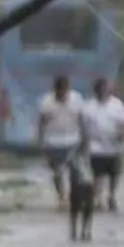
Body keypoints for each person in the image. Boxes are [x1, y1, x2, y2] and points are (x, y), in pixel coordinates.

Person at [80, 77, 124, 211]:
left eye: (104, 89)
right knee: (97, 174)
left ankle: (112, 195)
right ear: (95, 90)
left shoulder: (117, 105)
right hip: (96, 146)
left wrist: (122, 134)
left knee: (114, 174)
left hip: (113, 146)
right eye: (99, 89)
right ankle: (98, 198)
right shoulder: (88, 106)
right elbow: (84, 127)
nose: (102, 91)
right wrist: (84, 144)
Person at [36, 75, 87, 209]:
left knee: (75, 171)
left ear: (67, 89)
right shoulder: (47, 102)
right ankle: (61, 197)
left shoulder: (77, 99)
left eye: (64, 91)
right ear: (55, 90)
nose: (62, 94)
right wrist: (40, 142)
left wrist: (85, 140)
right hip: (53, 143)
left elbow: (81, 120)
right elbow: (41, 123)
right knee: (57, 172)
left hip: (73, 140)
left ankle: (73, 196)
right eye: (59, 92)